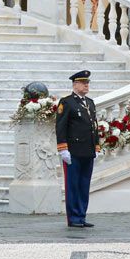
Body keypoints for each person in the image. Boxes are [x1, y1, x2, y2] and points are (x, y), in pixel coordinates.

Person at [56, 70, 99, 229]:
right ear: (75, 84)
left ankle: (81, 215)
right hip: (73, 151)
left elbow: (94, 126)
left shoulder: (90, 102)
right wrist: (62, 149)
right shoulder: (66, 102)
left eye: (87, 83)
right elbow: (61, 127)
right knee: (73, 185)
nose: (87, 85)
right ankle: (73, 217)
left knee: (84, 184)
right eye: (83, 83)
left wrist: (96, 146)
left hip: (87, 150)